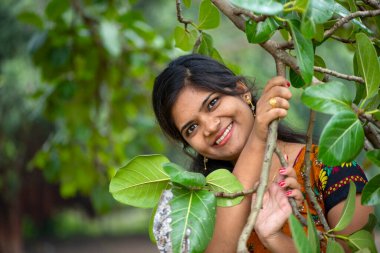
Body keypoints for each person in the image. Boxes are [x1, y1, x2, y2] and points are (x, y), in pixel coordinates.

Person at [152, 54, 373, 252]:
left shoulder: (331, 167)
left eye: (212, 103)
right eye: (191, 128)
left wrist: (275, 239)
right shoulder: (198, 204)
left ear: (242, 91)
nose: (209, 127)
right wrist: (258, 137)